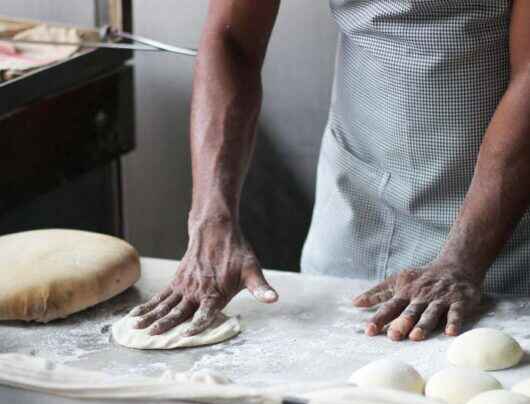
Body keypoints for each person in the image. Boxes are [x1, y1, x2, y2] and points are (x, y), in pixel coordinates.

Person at [132, 1, 530, 342]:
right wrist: (211, 220)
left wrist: (463, 258)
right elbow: (231, 40)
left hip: (499, 228)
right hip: (356, 211)